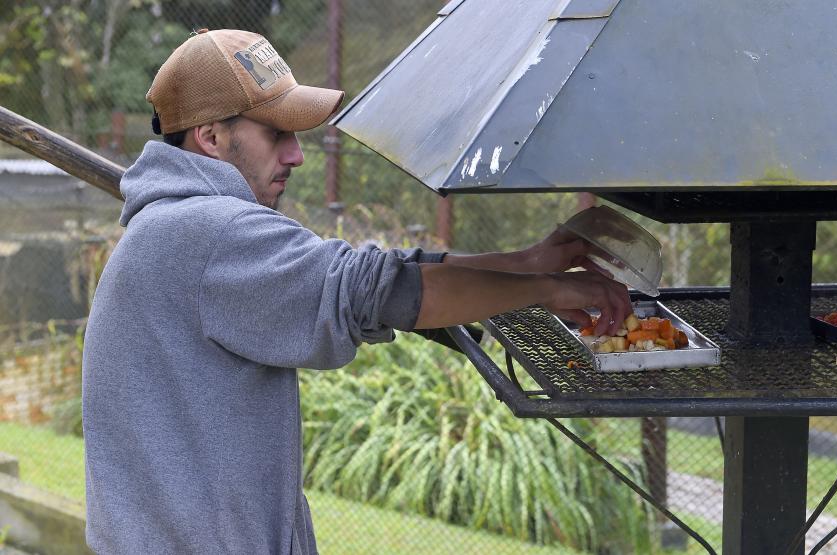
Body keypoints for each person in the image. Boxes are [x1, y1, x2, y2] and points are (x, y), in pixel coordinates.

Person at [81, 28, 632, 555]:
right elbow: (372, 291)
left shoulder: (175, 228)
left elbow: (367, 275)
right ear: (211, 138)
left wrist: (527, 264)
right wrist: (541, 288)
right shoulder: (213, 231)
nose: (296, 155)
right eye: (277, 133)